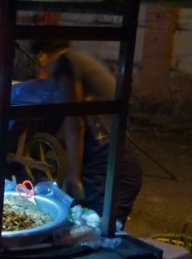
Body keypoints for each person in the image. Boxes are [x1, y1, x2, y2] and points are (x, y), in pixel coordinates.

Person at [30, 40, 142, 227]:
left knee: (93, 231)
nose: (43, 73)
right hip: (115, 159)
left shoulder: (66, 65)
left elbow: (75, 124)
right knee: (95, 230)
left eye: (39, 64)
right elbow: (71, 122)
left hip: (110, 167)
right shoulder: (76, 59)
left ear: (43, 56)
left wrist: (74, 175)